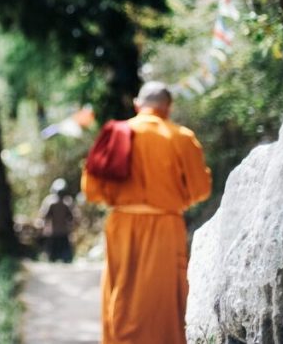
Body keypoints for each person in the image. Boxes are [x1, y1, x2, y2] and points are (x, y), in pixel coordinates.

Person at [81, 81, 212, 344]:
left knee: (122, 292)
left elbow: (91, 189)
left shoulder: (116, 133)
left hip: (122, 224)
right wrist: (178, 199)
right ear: (168, 108)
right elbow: (201, 189)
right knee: (162, 300)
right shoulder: (181, 137)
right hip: (165, 224)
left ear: (138, 105)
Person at [37, 178, 77, 263]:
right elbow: (71, 218)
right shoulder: (54, 202)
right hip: (55, 234)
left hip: (58, 233)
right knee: (57, 258)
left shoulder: (62, 202)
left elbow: (43, 216)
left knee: (59, 258)